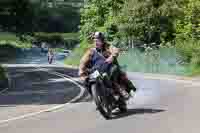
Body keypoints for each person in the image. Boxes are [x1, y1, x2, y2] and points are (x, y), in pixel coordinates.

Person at [79, 32, 137, 99]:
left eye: (98, 40)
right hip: (98, 71)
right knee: (86, 81)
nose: (96, 42)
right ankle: (96, 98)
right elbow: (83, 61)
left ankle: (121, 90)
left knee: (114, 72)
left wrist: (112, 56)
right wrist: (81, 70)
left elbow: (115, 50)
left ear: (102, 41)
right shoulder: (91, 51)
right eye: (95, 41)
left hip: (110, 67)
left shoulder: (108, 46)